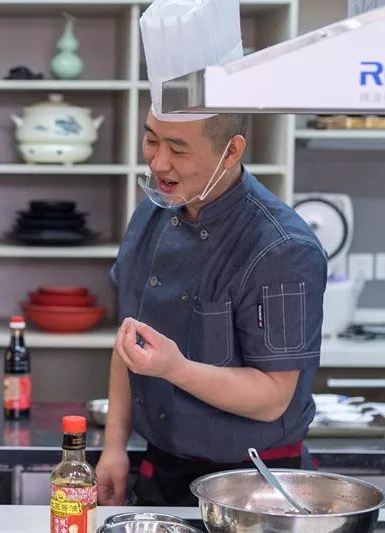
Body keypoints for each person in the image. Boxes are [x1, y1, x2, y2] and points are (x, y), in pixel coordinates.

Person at [95, 0, 327, 507]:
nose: (158, 162)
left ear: (233, 149)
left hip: (256, 485)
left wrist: (175, 368)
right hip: (159, 470)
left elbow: (273, 398)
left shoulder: (282, 247)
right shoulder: (153, 214)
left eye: (178, 148)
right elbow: (128, 341)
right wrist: (114, 448)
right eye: (151, 139)